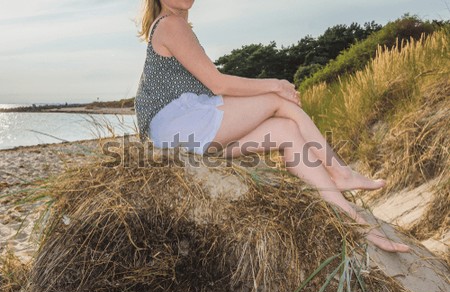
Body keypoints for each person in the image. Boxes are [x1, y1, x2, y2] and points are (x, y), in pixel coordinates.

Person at [135, 0, 410, 253]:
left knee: (286, 131)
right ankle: (339, 171)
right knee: (278, 101)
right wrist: (276, 84)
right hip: (177, 128)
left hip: (183, 135)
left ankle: (353, 221)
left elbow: (215, 90)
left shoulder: (173, 25)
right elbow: (218, 84)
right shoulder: (171, 24)